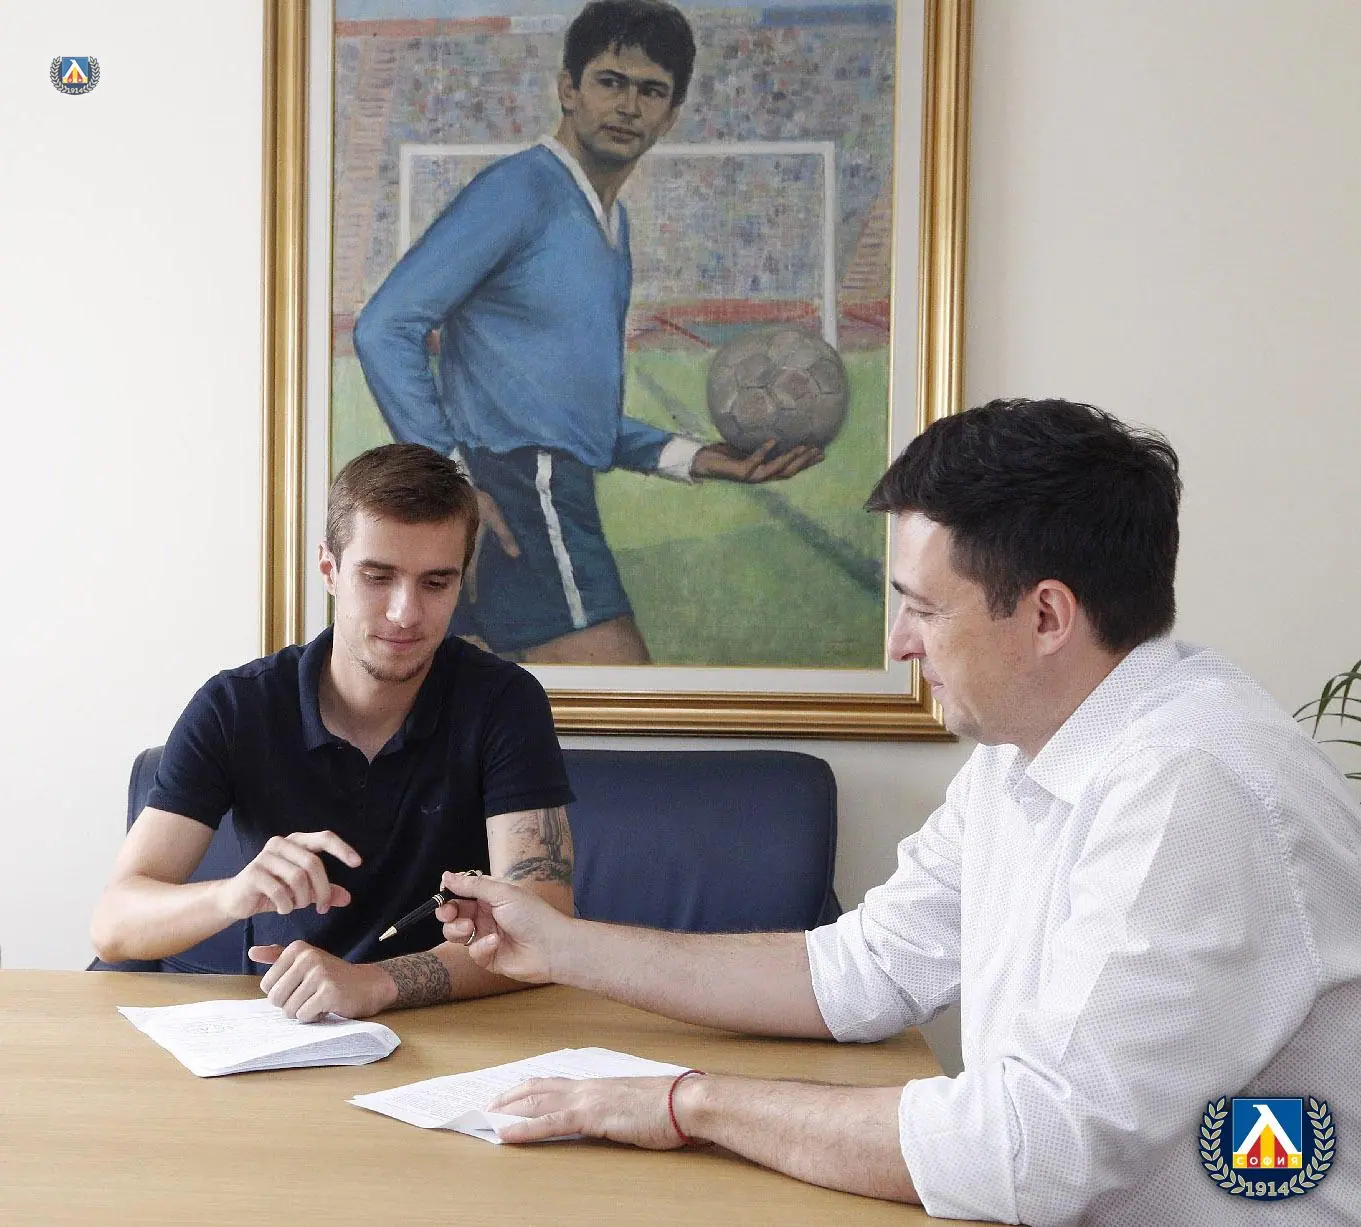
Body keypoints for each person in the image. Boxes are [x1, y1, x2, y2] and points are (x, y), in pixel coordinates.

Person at [432, 399, 1361, 1225]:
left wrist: (686, 1104)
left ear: (1046, 617)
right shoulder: (1026, 747)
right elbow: (862, 971)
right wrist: (563, 947)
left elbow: (1034, 1151)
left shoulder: (1194, 787)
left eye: (923, 608)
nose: (898, 642)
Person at [353, 0, 820, 667]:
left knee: (496, 710)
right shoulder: (520, 190)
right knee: (629, 699)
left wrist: (697, 458)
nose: (628, 105)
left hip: (537, 491)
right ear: (568, 88)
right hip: (523, 496)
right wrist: (451, 479)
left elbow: (568, 414)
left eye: (650, 91)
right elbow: (384, 327)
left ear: (671, 113)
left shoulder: (612, 224)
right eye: (610, 81)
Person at [90, 443, 575, 1023]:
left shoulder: (506, 702)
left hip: (451, 1026)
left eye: (435, 583)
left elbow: (543, 933)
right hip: (284, 1023)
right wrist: (231, 894)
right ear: (329, 569)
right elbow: (113, 926)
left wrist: (374, 983)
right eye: (378, 577)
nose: (404, 613)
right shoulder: (235, 706)